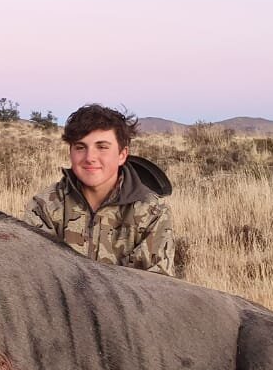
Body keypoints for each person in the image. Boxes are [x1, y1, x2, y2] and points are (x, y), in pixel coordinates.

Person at [23, 104, 176, 276]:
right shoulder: (45, 206)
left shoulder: (152, 213)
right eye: (80, 147)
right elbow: (34, 277)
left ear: (122, 155)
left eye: (102, 147)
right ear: (70, 152)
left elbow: (153, 289)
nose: (90, 158)